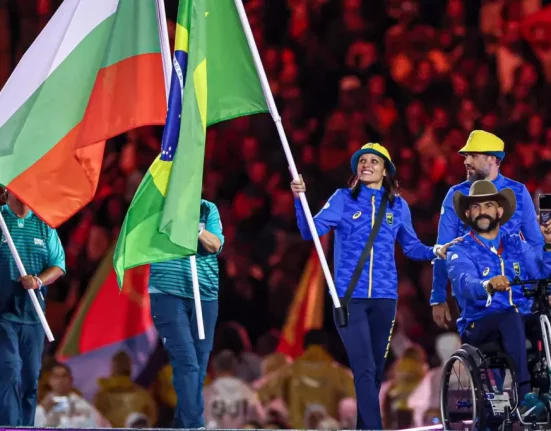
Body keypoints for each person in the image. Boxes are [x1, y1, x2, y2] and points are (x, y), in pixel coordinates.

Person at [290, 143, 455, 429]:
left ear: (385, 170)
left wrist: (434, 251)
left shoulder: (398, 205)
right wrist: (299, 200)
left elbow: (412, 247)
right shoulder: (342, 199)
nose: (366, 165)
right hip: (349, 298)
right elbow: (310, 231)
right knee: (364, 368)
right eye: (362, 161)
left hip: (384, 299)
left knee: (375, 371)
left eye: (373, 161)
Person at [446, 180, 551, 419]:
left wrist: (548, 246)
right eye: (476, 206)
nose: (482, 211)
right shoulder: (459, 250)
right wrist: (487, 285)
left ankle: (545, 389)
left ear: (499, 211)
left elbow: (542, 276)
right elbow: (464, 282)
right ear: (467, 212)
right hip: (480, 324)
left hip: (520, 320)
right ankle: (525, 396)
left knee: (543, 319)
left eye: (489, 205)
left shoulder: (516, 244)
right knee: (511, 317)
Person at [432, 130, 542, 329]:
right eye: (466, 156)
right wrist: (438, 297)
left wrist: (547, 287)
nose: (466, 161)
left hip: (517, 289)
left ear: (493, 159)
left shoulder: (518, 192)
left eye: (473, 156)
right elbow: (443, 250)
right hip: (474, 295)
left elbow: (536, 243)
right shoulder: (456, 195)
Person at [148, 199, 223, 429]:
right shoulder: (157, 207)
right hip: (167, 294)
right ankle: (195, 425)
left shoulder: (207, 208)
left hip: (205, 294)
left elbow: (215, 245)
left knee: (199, 367)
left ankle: (182, 423)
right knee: (186, 362)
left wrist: (197, 229)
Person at [0, 192, 65, 426]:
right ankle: (9, 426)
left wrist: (37, 280)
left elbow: (58, 265)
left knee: (30, 379)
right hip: (3, 316)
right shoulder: (1, 219)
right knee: (9, 370)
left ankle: (25, 427)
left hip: (34, 316)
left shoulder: (44, 225)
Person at [203, 350, 265, 429]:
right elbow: (259, 420)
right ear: (235, 368)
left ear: (214, 369)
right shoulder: (248, 391)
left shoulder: (205, 394)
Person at [35, 362, 109, 428]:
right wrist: (43, 410)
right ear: (50, 381)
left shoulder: (80, 402)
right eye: (56, 376)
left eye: (64, 376)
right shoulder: (43, 403)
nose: (60, 380)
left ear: (70, 380)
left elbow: (99, 424)